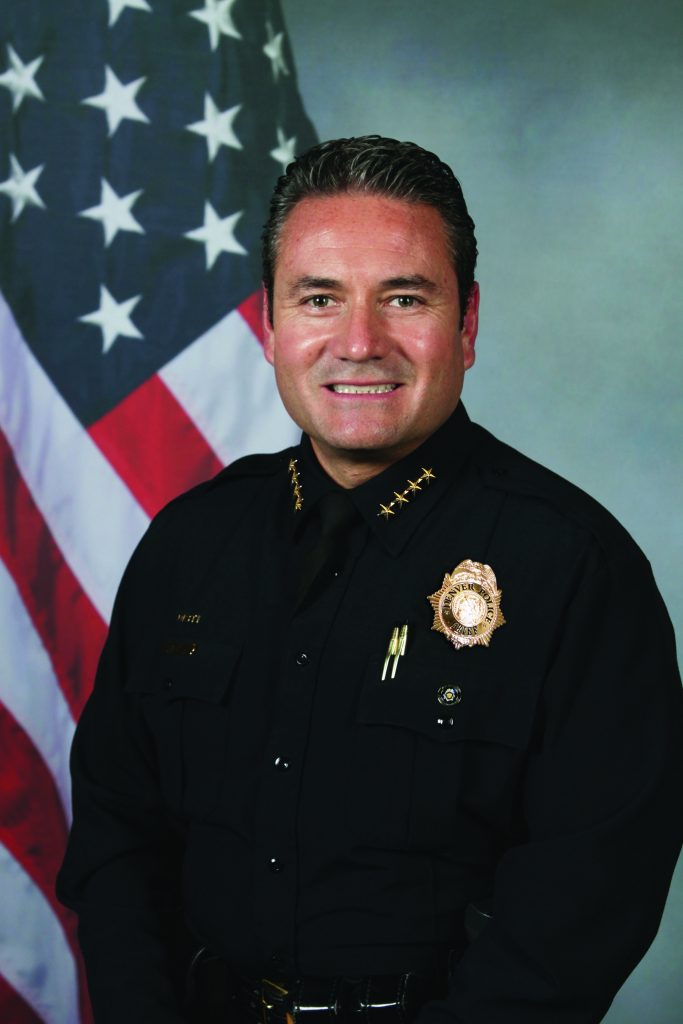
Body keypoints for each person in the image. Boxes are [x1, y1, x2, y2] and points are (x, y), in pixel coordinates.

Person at [57, 136, 683, 1024]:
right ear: (270, 325)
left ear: (466, 323)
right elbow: (117, 827)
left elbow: (588, 897)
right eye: (319, 298)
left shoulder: (573, 566)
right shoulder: (190, 543)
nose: (358, 343)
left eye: (403, 298)